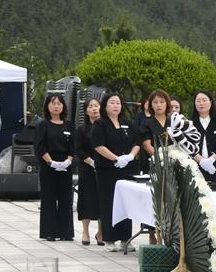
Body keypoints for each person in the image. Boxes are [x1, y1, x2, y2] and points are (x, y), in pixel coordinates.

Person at [91, 92, 141, 252]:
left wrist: (130, 157)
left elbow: (137, 143)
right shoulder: (100, 124)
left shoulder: (128, 123)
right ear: (105, 106)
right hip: (107, 170)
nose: (115, 106)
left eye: (118, 103)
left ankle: (126, 238)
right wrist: (115, 159)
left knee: (126, 202)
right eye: (112, 103)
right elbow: (98, 146)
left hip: (126, 169)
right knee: (109, 202)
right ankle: (109, 239)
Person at [34, 93, 76, 241]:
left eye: (59, 103)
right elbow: (39, 146)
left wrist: (68, 161)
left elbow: (73, 146)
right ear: (47, 106)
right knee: (49, 198)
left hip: (66, 165)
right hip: (48, 165)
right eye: (53, 103)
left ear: (63, 106)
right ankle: (49, 231)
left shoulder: (69, 125)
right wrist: (51, 162)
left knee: (66, 198)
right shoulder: (43, 125)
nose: (56, 106)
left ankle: (66, 232)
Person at [75, 97, 104, 245]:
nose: (94, 108)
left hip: (103, 167)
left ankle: (101, 232)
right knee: (85, 199)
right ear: (86, 111)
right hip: (86, 167)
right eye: (90, 106)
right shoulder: (81, 129)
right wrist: (91, 162)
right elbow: (78, 150)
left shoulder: (105, 126)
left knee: (101, 199)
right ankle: (85, 232)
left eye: (96, 106)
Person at [191, 91, 216, 185]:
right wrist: (202, 161)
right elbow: (188, 145)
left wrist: (212, 159)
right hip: (196, 167)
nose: (201, 103)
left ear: (211, 103)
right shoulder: (190, 123)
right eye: (198, 101)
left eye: (204, 100)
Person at [139, 90, 172, 160]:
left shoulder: (173, 122)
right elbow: (147, 146)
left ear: (167, 104)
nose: (159, 105)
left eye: (162, 102)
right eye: (155, 102)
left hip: (174, 161)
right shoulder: (146, 124)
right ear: (151, 105)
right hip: (154, 163)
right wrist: (163, 159)